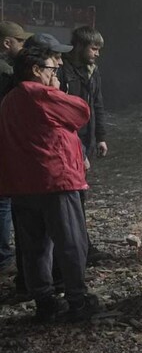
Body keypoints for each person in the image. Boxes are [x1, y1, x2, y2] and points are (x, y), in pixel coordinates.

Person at [0, 47, 100, 322]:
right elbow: (81, 112)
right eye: (52, 70)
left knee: (35, 246)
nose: (55, 74)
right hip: (55, 181)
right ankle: (77, 300)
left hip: (22, 185)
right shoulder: (41, 94)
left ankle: (44, 301)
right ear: (36, 70)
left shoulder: (9, 100)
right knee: (71, 242)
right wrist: (57, 90)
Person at [60, 26, 111, 265]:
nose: (97, 54)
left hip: (85, 138)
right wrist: (79, 150)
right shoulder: (60, 70)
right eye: (94, 48)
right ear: (80, 46)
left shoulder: (92, 71)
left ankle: (82, 247)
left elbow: (97, 103)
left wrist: (100, 137)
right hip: (68, 141)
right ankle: (77, 250)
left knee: (80, 195)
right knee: (72, 197)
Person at [0, 21, 32, 275]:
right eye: (20, 41)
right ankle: (3, 257)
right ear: (7, 43)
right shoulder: (5, 72)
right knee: (4, 202)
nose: (23, 46)